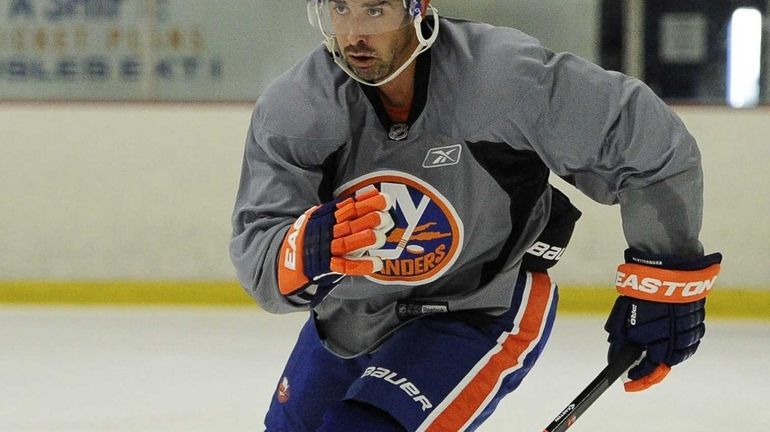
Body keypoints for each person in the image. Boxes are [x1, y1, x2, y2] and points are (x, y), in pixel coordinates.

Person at [229, 1, 722, 431]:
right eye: (342, 10)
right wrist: (303, 248)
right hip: (353, 313)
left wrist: (667, 275)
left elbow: (644, 143)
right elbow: (260, 256)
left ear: (417, 9)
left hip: (481, 304)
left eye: (375, 10)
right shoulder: (298, 107)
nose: (355, 33)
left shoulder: (499, 77)